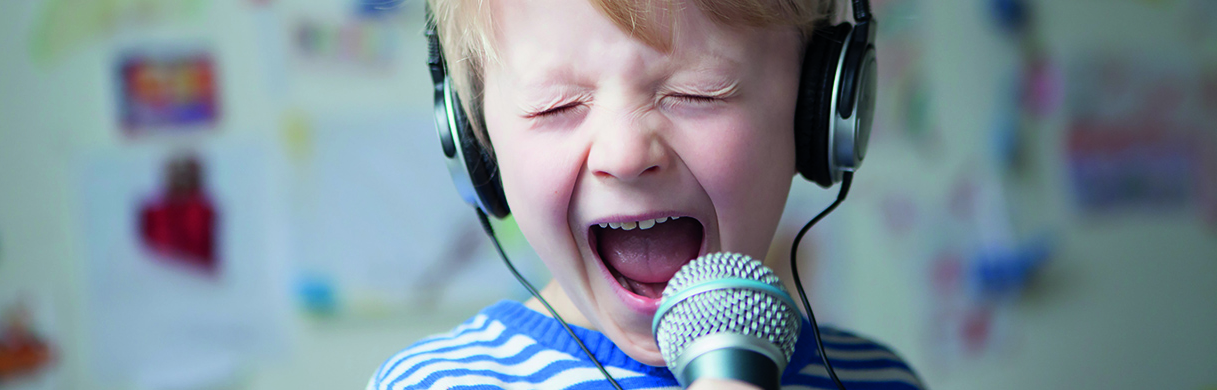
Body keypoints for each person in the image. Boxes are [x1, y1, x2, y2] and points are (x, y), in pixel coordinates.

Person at [370, 0, 924, 388]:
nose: (626, 154)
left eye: (697, 93)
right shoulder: (435, 384)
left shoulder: (877, 380)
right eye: (555, 106)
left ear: (815, 115)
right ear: (476, 143)